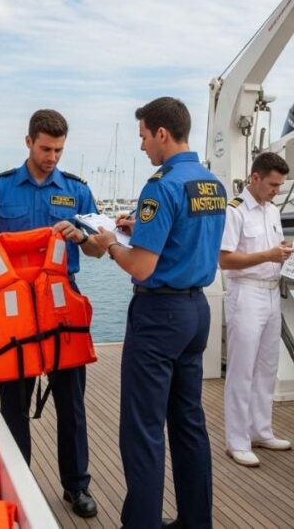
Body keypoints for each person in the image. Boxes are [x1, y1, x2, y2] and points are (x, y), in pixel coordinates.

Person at [0, 109, 103, 519]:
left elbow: (99, 248)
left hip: (61, 315)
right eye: (46, 148)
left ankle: (76, 487)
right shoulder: (0, 189)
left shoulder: (77, 192)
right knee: (12, 409)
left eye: (59, 150)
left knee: (72, 406)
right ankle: (20, 485)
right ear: (28, 142)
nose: (52, 157)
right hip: (13, 316)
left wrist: (84, 235)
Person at [90, 97, 226, 528]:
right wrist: (139, 228)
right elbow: (188, 235)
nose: (143, 146)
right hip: (195, 314)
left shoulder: (161, 186)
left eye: (144, 136)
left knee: (143, 431)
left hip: (159, 316)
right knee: (188, 425)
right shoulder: (211, 185)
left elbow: (141, 266)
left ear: (162, 133)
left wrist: (109, 242)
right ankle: (194, 522)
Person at [219, 152, 294, 468]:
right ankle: (237, 440)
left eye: (279, 185)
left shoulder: (272, 210)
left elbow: (271, 253)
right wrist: (268, 255)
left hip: (271, 293)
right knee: (242, 369)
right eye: (273, 184)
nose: (277, 190)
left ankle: (260, 430)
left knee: (267, 366)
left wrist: (282, 253)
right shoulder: (234, 212)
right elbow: (225, 259)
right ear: (255, 178)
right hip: (246, 293)